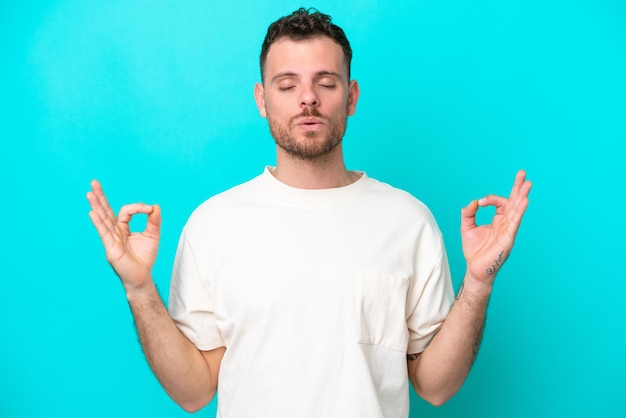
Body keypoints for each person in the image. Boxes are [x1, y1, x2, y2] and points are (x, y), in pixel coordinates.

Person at [86, 8, 531, 418]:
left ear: (351, 96)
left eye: (326, 82)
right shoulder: (213, 224)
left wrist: (478, 282)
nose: (307, 99)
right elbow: (194, 391)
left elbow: (435, 387)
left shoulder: (408, 220)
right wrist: (140, 288)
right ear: (262, 99)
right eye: (287, 84)